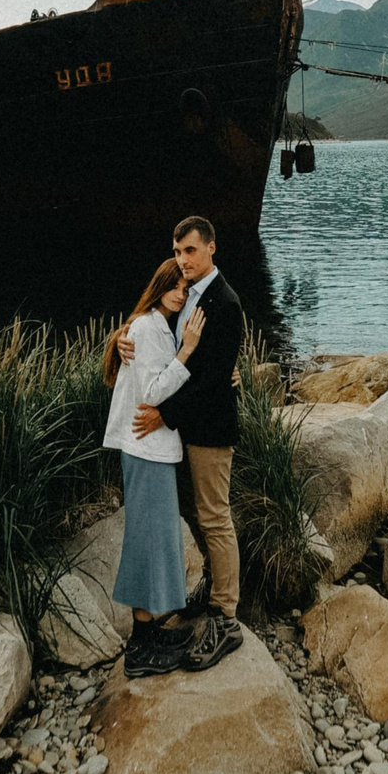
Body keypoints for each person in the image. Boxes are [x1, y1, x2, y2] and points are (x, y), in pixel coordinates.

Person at [122, 214, 247, 671]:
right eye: (177, 253)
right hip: (186, 431)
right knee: (197, 513)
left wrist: (164, 413)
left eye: (190, 251)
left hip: (209, 430)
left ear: (211, 248)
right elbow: (168, 351)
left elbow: (214, 376)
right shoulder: (188, 298)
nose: (183, 261)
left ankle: (226, 617)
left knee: (215, 515)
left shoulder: (224, 301)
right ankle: (213, 591)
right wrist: (124, 338)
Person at [100, 257, 207, 674]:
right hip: (145, 449)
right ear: (160, 285)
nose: (181, 294)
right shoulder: (146, 328)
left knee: (155, 539)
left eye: (185, 288)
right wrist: (188, 351)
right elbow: (152, 390)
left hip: (155, 449)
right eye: (174, 286)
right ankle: (139, 649)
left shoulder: (156, 325)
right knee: (145, 541)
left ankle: (148, 630)